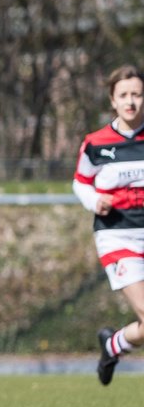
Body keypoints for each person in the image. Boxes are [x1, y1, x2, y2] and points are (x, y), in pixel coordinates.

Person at [75, 64, 144, 385]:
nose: (131, 101)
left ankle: (113, 344)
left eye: (137, 94)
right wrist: (94, 200)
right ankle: (114, 344)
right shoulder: (96, 143)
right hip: (118, 237)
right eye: (124, 95)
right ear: (112, 100)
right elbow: (81, 182)